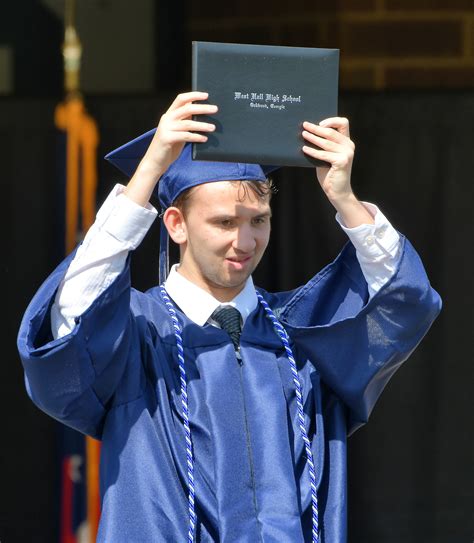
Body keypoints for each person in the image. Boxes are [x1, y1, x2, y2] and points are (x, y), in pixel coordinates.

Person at [17, 92, 441, 542]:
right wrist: (148, 173)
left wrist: (345, 198)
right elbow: (69, 324)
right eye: (223, 222)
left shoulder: (300, 339)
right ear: (176, 223)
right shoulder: (136, 335)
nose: (244, 241)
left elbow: (405, 300)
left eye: (258, 220)